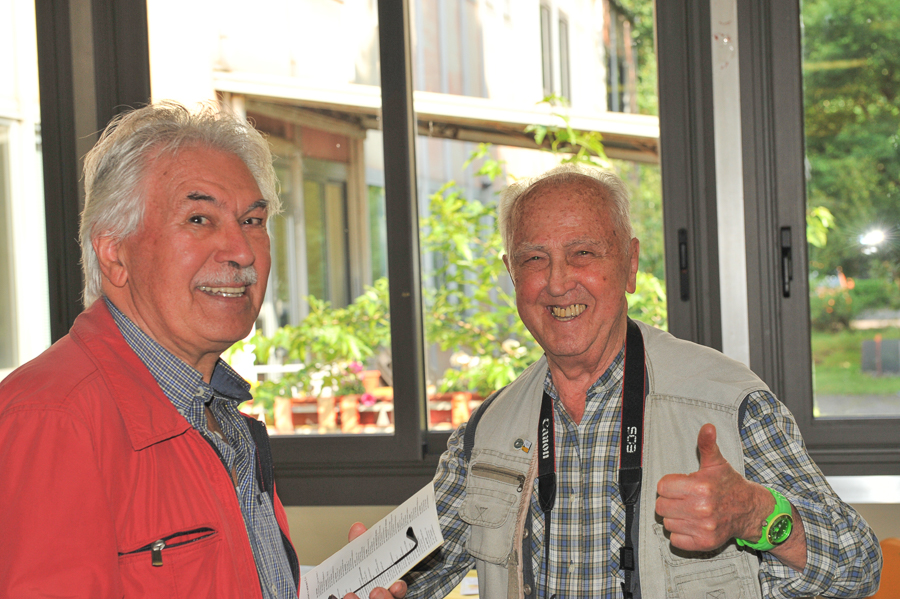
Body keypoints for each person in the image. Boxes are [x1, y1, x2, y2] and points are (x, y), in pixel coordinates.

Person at [403, 164, 882, 598]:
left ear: (629, 264)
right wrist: (377, 578)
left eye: (583, 253)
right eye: (534, 259)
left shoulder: (729, 404)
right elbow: (414, 571)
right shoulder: (486, 431)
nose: (557, 282)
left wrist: (756, 513)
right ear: (511, 273)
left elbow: (859, 566)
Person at [0, 101, 403, 599]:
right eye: (199, 219)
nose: (241, 251)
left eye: (253, 221)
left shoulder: (216, 410)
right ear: (114, 254)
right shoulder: (51, 418)